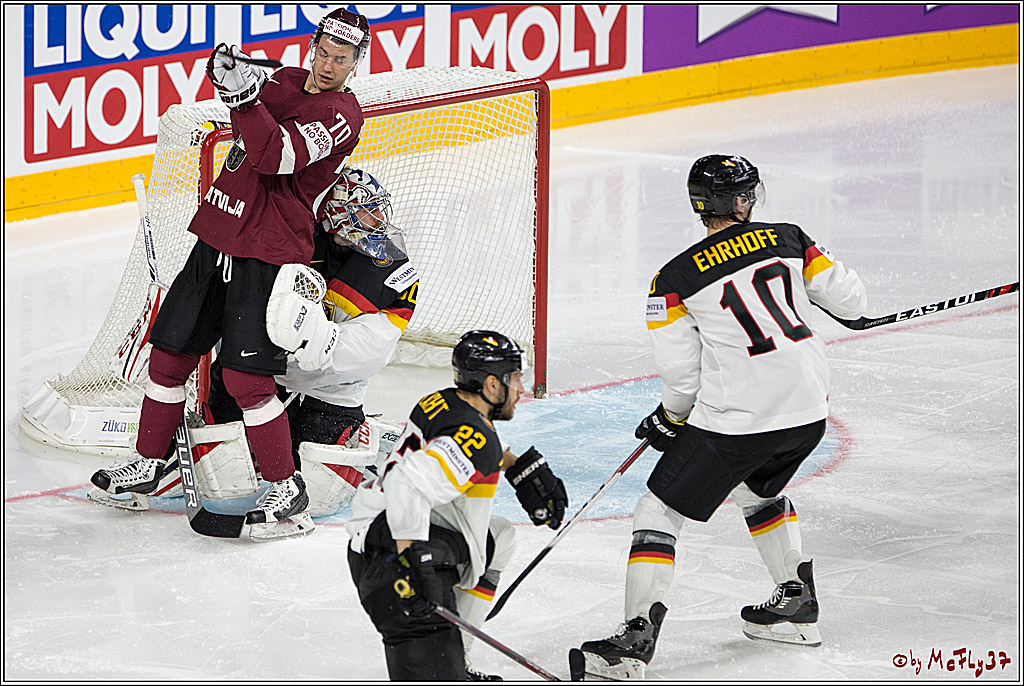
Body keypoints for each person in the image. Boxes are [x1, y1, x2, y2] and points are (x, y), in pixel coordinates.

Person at [574, 155, 868, 679]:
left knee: (658, 511)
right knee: (760, 491)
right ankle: (796, 605)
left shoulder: (673, 278)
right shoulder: (791, 237)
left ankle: (634, 640)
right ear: (737, 200)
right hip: (809, 409)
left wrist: (671, 417)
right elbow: (851, 301)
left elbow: (681, 374)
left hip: (743, 417)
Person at [88, 9, 371, 541]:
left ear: (356, 64)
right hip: (219, 231)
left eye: (344, 58)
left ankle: (286, 489)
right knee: (170, 354)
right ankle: (149, 464)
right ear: (313, 45)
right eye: (326, 51)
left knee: (245, 378)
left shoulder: (341, 114)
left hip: (267, 251)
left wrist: (242, 96)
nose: (331, 64)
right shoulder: (283, 78)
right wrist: (229, 73)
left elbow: (273, 156)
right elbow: (245, 92)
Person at [346, 331, 569, 681]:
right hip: (388, 560)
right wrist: (410, 560)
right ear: (491, 385)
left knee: (499, 537)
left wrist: (514, 466)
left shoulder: (443, 401)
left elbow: (461, 441)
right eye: (514, 379)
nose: (522, 389)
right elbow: (408, 482)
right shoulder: (474, 438)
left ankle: (457, 658)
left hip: (377, 532)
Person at [207, 166, 418, 513]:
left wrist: (318, 343)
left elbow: (373, 352)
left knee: (320, 499)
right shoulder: (291, 245)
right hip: (267, 378)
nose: (379, 218)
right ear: (334, 215)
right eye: (366, 209)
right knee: (220, 475)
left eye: (379, 206)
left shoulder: (391, 267)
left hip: (330, 390)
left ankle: (353, 430)